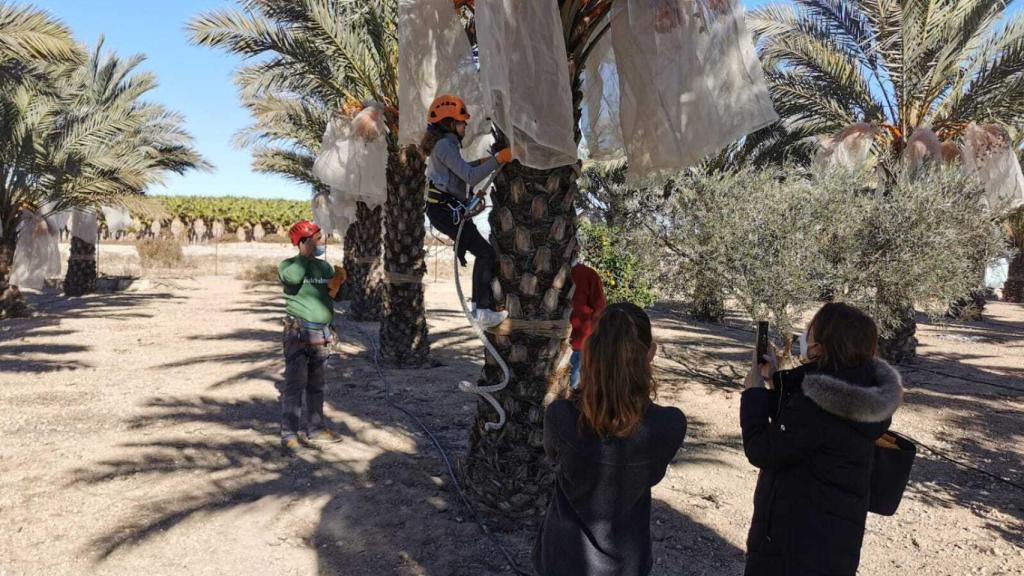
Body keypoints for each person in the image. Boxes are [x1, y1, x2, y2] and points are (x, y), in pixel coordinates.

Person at [741, 303, 904, 575]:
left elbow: (763, 450)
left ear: (823, 345)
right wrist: (774, 380)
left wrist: (753, 394)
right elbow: (806, 425)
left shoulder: (819, 405)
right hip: (833, 544)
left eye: (810, 332)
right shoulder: (860, 391)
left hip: (792, 547)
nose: (805, 337)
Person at [534, 302, 687, 576]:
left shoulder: (560, 416)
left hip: (562, 560)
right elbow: (652, 474)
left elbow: (553, 456)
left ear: (590, 353)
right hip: (627, 564)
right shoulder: (670, 424)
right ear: (650, 353)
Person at [422, 94, 512, 328]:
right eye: (462, 122)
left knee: (484, 252)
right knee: (486, 254)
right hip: (444, 210)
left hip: (445, 209)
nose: (466, 126)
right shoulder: (444, 145)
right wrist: (499, 158)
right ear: (450, 123)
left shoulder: (446, 146)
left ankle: (480, 308)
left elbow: (459, 170)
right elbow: (469, 177)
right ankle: (481, 310)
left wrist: (486, 161)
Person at [278, 220, 348, 452]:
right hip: (298, 333)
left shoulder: (324, 267)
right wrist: (303, 256)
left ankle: (316, 429)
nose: (321, 243)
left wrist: (341, 282)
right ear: (303, 241)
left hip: (321, 335)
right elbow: (293, 279)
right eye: (316, 239)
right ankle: (289, 434)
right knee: (294, 385)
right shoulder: (288, 265)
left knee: (317, 384)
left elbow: (336, 298)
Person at [568, 242, 606, 390]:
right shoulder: (544, 273)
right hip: (549, 346)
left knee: (575, 390)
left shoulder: (588, 275)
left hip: (580, 347)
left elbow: (599, 309)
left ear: (577, 249)